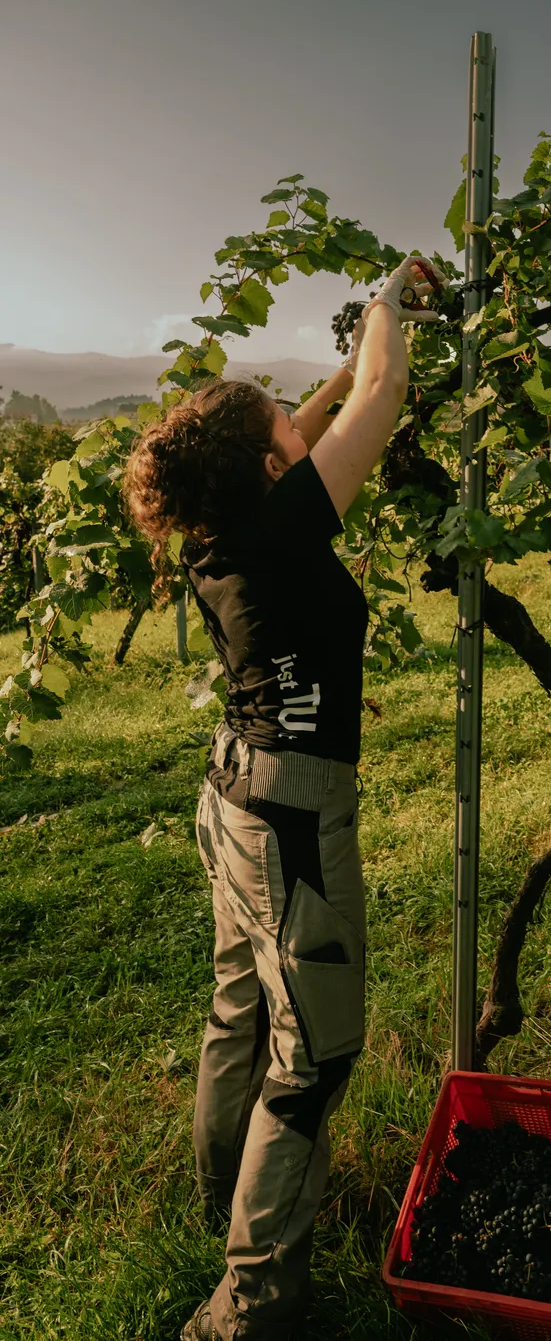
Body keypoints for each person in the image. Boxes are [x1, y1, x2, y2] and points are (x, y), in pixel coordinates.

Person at [124, 256, 442, 1341]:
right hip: (292, 817)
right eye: (287, 430)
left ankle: (225, 1200)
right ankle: (248, 1305)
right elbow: (381, 402)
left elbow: (319, 413)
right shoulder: (282, 523)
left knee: (240, 1008)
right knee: (316, 1057)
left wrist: (347, 357)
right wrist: (392, 314)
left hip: (236, 798)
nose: (307, 428)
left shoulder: (230, 519)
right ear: (271, 465)